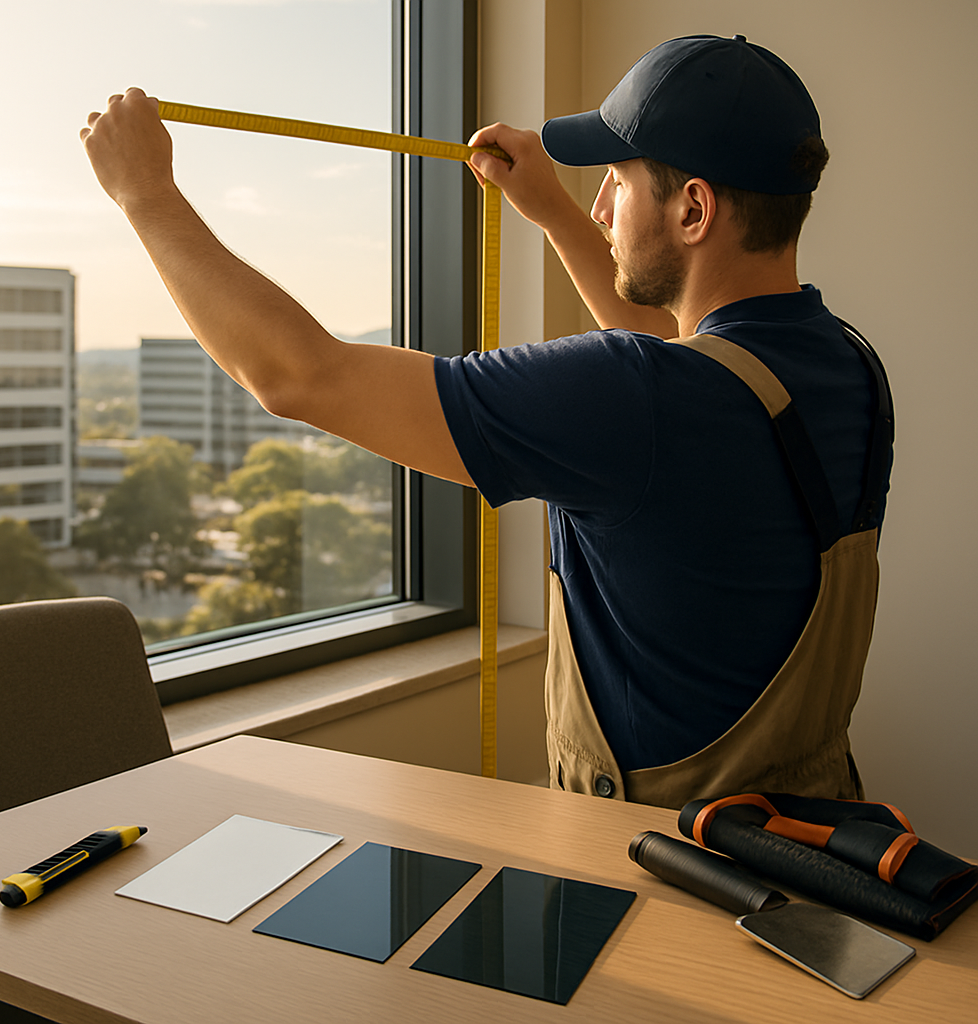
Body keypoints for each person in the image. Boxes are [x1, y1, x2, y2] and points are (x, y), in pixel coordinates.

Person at [82, 34, 892, 809]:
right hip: (815, 840)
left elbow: (303, 376)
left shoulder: (634, 394)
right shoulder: (843, 365)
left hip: (665, 868)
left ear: (693, 210)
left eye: (618, 181)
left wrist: (145, 196)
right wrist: (551, 214)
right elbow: (681, 378)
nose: (602, 205)